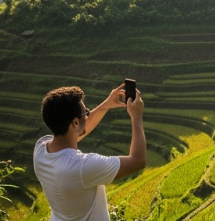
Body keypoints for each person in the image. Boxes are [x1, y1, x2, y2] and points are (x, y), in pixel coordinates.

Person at [33, 84, 146, 221]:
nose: (88, 115)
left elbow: (73, 134)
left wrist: (106, 105)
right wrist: (136, 117)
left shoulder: (40, 149)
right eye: (85, 113)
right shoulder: (82, 167)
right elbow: (137, 160)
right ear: (75, 122)